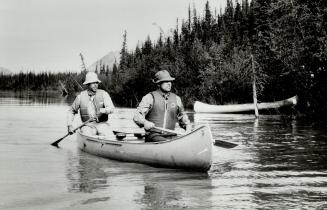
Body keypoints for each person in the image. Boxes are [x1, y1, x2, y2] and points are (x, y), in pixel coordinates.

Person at [133, 70, 191, 142]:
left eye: (170, 81)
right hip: (153, 136)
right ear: (158, 84)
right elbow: (137, 116)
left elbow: (183, 119)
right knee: (166, 142)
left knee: (182, 141)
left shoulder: (177, 99)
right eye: (166, 81)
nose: (169, 84)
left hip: (171, 136)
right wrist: (145, 122)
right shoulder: (149, 97)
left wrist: (188, 128)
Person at [67, 71, 115, 136]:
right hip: (87, 126)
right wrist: (69, 125)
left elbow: (112, 109)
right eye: (93, 83)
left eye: (96, 82)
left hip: (102, 124)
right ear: (88, 84)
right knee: (87, 133)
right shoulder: (80, 97)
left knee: (108, 135)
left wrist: (101, 111)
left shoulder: (104, 94)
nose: (96, 85)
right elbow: (71, 111)